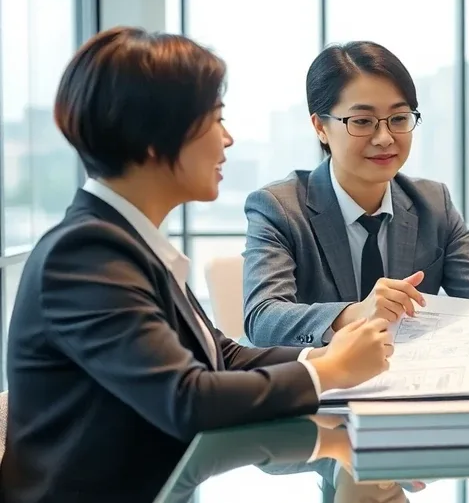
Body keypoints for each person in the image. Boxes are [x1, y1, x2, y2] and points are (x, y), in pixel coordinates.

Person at [0, 27, 393, 503]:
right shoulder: (85, 255)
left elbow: (219, 356)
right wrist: (327, 372)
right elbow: (186, 401)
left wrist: (326, 359)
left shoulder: (125, 242)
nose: (227, 140)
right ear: (150, 136)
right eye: (214, 119)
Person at [242, 41, 469, 347]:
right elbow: (263, 318)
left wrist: (408, 318)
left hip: (418, 385)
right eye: (362, 122)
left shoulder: (432, 203)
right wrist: (356, 314)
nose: (385, 138)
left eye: (399, 119)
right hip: (322, 388)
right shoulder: (280, 208)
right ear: (320, 127)